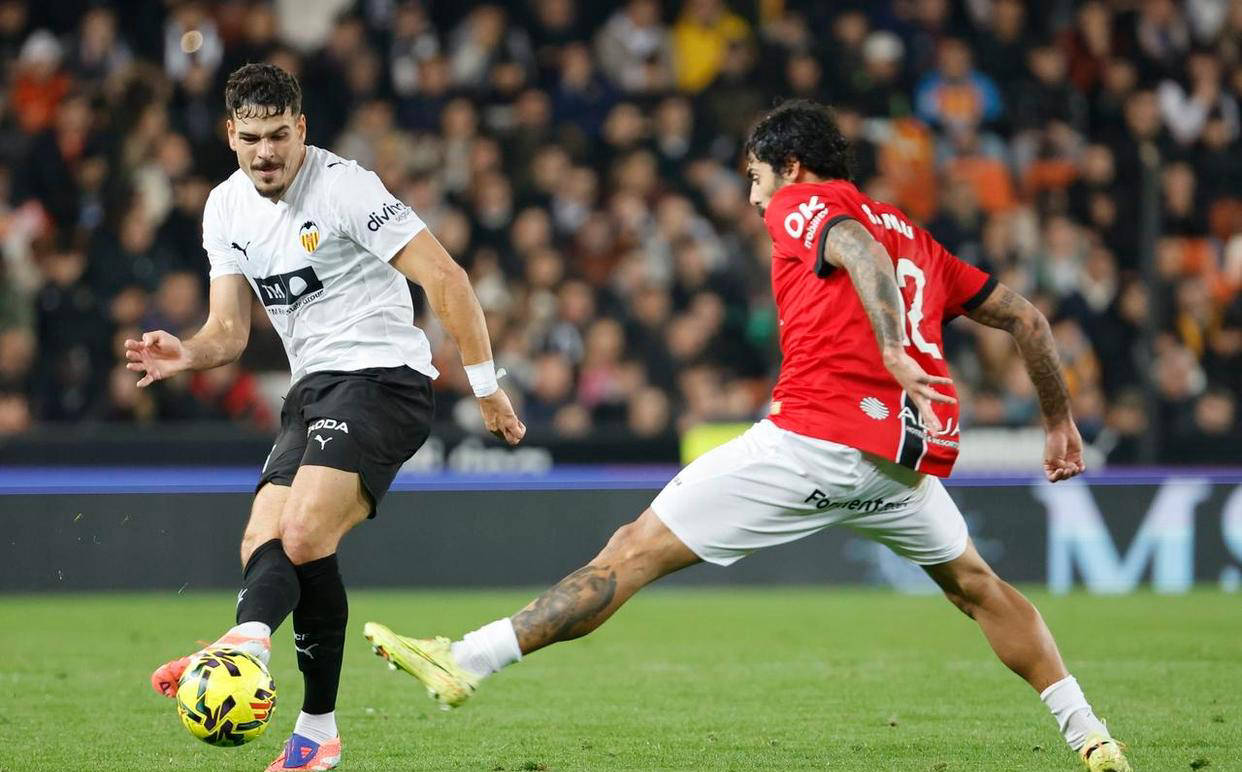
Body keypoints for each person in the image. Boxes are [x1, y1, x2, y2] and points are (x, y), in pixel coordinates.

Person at [363, 101, 1131, 772]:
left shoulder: (806, 204)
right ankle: (1091, 735)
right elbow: (1027, 319)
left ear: (791, 167)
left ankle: (467, 659)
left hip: (816, 439)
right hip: (902, 462)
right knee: (980, 588)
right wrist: (1058, 419)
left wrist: (893, 345)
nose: (755, 195)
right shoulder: (917, 238)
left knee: (630, 553)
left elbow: (853, 247)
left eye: (757, 176)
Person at [129, 63, 525, 771]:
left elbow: (447, 277)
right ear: (230, 134)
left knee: (305, 531)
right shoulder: (224, 208)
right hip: (312, 389)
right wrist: (187, 352)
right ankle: (303, 717)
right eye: (252, 138)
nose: (266, 153)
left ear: (301, 129)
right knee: (262, 540)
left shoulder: (345, 187)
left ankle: (248, 651)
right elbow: (229, 333)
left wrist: (485, 386)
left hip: (383, 378)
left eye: (279, 136)